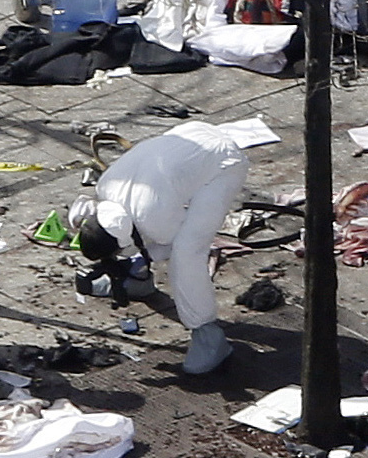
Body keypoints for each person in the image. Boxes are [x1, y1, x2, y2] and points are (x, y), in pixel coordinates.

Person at [68, 121, 249, 375]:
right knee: (156, 238)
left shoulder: (153, 217)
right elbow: (138, 238)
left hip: (224, 162)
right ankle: (138, 280)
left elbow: (171, 246)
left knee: (188, 251)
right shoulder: (106, 186)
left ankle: (208, 335)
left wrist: (130, 259)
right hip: (192, 134)